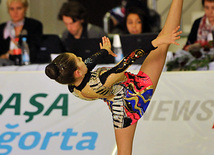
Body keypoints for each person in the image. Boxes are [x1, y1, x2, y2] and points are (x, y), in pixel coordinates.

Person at [45, 0, 183, 154]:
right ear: (77, 71)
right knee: (162, 43)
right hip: (133, 97)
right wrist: (154, 43)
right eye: (78, 59)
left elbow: (87, 65)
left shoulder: (72, 83)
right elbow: (126, 62)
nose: (82, 59)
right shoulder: (101, 80)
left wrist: (103, 52)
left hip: (118, 103)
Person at [0, 0, 44, 65]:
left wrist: (12, 54)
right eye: (12, 9)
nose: (15, 12)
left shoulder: (34, 25)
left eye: (19, 8)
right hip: (5, 63)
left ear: (25, 8)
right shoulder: (2, 27)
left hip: (28, 62)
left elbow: (34, 48)